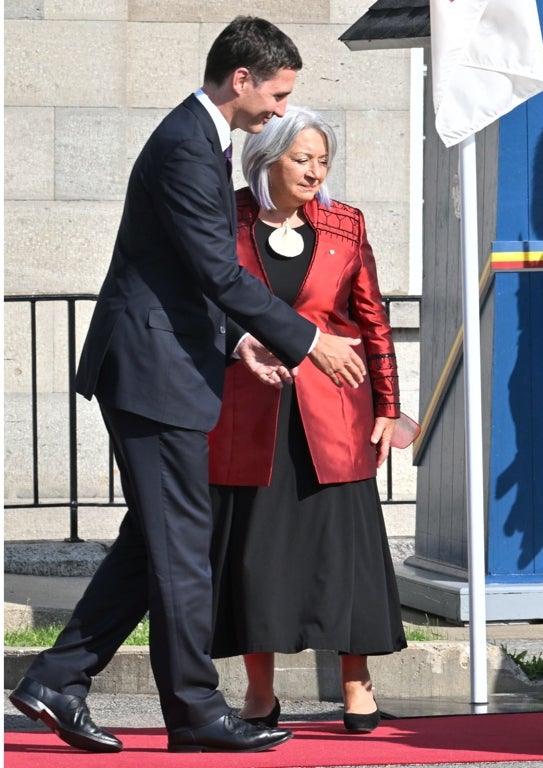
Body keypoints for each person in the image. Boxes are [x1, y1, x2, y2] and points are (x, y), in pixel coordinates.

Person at [8, 17, 367, 754]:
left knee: (153, 544)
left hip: (164, 365)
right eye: (276, 94)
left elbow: (184, 275)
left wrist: (239, 344)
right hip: (151, 372)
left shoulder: (202, 142)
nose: (279, 110)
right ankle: (196, 713)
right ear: (242, 78)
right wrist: (306, 341)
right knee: (181, 548)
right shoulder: (185, 145)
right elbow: (215, 270)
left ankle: (57, 679)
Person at [208, 107, 407, 735]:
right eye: (303, 159)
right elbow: (207, 300)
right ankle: (260, 694)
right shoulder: (226, 217)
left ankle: (357, 687)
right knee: (255, 557)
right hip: (251, 406)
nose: (315, 172)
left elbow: (372, 319)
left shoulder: (346, 225)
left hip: (336, 410)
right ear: (266, 158)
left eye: (323, 160)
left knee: (342, 556)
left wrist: (388, 406)